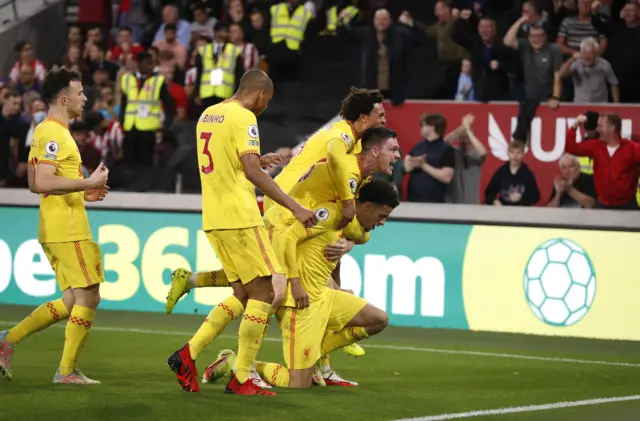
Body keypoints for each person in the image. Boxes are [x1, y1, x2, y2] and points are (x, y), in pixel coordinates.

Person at [166, 127, 400, 386]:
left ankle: (317, 361)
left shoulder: (352, 190)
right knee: (262, 293)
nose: (397, 155)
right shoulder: (340, 152)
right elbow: (331, 166)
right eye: (393, 148)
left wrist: (351, 243)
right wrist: (297, 282)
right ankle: (237, 364)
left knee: (376, 317)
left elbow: (356, 229)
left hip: (317, 284)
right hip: (280, 220)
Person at [166, 69, 317, 396]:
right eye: (267, 101)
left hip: (214, 217)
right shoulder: (244, 116)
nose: (265, 107)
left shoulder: (209, 114)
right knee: (269, 291)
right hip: (240, 216)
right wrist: (296, 207)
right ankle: (243, 377)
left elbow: (226, 161)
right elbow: (249, 172)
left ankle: (188, 355)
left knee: (244, 295)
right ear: (261, 94)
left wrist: (258, 160)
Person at [204, 179, 397, 389]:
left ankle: (316, 356)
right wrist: (295, 284)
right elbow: (288, 238)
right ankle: (233, 362)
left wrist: (347, 247)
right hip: (301, 303)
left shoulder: (347, 222)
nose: (382, 223)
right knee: (297, 384)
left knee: (378, 319)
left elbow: (358, 238)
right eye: (382, 216)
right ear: (367, 206)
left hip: (325, 296)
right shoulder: (327, 213)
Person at [0, 67, 109, 384]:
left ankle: (8, 339)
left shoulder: (47, 132)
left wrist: (83, 190)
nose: (85, 98)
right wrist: (89, 179)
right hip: (68, 229)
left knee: (72, 301)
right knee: (89, 296)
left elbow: (38, 181)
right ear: (64, 98)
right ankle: (66, 372)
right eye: (80, 93)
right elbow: (41, 182)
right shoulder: (54, 133)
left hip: (55, 225)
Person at [566, 113, 640, 209]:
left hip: (627, 205)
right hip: (603, 205)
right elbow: (571, 148)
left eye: (601, 126)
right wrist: (574, 125)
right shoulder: (596, 146)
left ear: (612, 128)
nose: (597, 129)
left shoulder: (632, 148)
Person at [119, 52, 175, 167]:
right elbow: (124, 103)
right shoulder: (127, 79)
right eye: (147, 63)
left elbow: (170, 104)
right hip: (130, 127)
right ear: (139, 64)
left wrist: (166, 123)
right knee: (128, 162)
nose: (151, 66)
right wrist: (122, 121)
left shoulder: (158, 80)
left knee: (145, 163)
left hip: (148, 129)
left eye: (152, 63)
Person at [484, 140, 540, 206]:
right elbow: (489, 192)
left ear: (523, 154)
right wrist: (494, 201)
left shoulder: (527, 174)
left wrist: (522, 198)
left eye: (519, 153)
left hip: (522, 211)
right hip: (503, 210)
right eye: (512, 152)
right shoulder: (501, 172)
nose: (515, 156)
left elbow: (536, 197)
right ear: (508, 154)